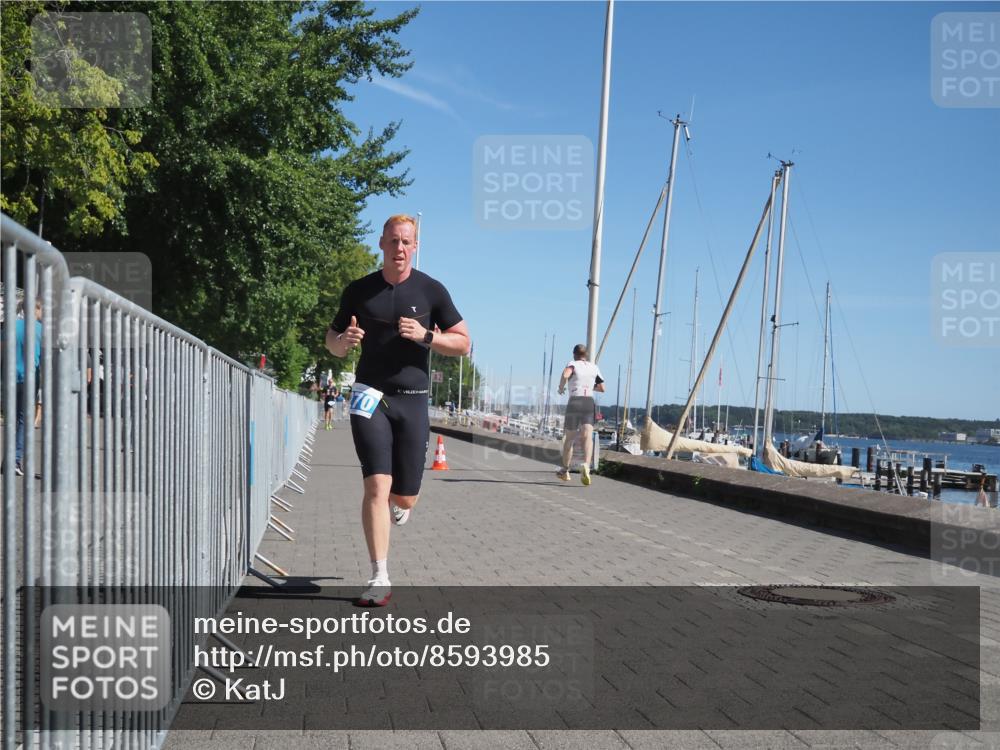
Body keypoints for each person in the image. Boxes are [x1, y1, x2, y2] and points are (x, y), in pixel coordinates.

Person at [326, 214, 470, 606]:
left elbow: (463, 343)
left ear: (415, 246)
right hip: (368, 395)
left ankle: (401, 501)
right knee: (375, 485)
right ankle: (379, 576)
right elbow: (332, 341)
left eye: (406, 242)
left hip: (412, 397)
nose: (399, 248)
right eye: (393, 241)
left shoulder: (431, 291)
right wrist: (345, 340)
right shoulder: (359, 290)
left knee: (404, 497)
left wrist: (427, 336)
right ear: (381, 244)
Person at [556, 344, 604, 486]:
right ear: (586, 355)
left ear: (574, 354)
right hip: (589, 402)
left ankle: (565, 470)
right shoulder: (594, 367)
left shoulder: (572, 364)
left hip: (575, 401)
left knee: (569, 439)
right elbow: (602, 388)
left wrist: (561, 387)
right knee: (587, 437)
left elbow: (565, 374)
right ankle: (586, 465)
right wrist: (588, 385)